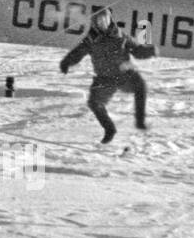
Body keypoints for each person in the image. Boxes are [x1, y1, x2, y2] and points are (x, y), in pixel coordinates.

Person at [59, 7, 157, 143]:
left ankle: (140, 122)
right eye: (98, 20)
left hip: (123, 75)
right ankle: (110, 129)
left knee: (140, 87)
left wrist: (149, 51)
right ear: (94, 22)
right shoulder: (90, 40)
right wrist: (66, 62)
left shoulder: (121, 36)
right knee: (94, 103)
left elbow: (137, 51)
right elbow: (77, 53)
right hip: (104, 78)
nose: (102, 23)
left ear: (109, 19)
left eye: (104, 19)